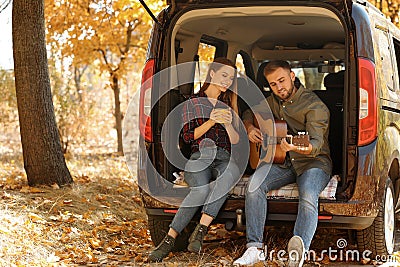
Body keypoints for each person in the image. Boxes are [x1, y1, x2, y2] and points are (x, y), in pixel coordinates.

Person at [234, 60, 332, 267]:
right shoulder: (271, 101)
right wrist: (250, 127)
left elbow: (315, 144)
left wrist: (297, 148)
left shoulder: (314, 106)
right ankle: (254, 248)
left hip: (312, 162)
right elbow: (248, 113)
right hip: (283, 161)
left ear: (292, 77)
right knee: (254, 186)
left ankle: (299, 250)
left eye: (282, 81)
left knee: (308, 194)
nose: (279, 88)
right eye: (273, 84)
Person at [149, 57, 241, 262]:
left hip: (224, 157)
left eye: (231, 78)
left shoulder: (229, 103)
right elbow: (188, 136)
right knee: (200, 189)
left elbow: (235, 140)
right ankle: (168, 241)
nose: (227, 81)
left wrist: (227, 124)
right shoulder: (192, 102)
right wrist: (211, 121)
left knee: (229, 175)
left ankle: (200, 230)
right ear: (212, 74)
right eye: (224, 75)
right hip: (200, 156)